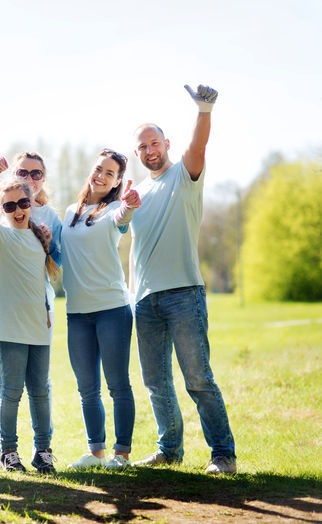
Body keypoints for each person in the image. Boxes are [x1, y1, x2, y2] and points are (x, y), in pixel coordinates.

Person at [129, 84, 237, 474]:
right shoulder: (136, 193)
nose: (149, 150)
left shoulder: (183, 176)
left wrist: (203, 110)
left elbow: (198, 148)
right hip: (145, 301)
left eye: (154, 143)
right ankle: (169, 450)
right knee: (156, 382)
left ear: (166, 144)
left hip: (183, 294)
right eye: (142, 146)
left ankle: (223, 454)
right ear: (137, 154)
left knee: (197, 378)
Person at [0, 89, 62, 467]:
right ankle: (5, 451)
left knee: (40, 388)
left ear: (40, 184)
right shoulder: (0, 221)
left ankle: (43, 450)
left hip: (37, 315)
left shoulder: (47, 223)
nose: (18, 207)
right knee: (5, 387)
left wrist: (50, 247)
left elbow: (55, 268)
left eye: (35, 173)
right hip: (2, 310)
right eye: (22, 171)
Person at [61, 149, 140, 470]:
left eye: (110, 173)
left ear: (118, 181)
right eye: (98, 169)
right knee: (87, 389)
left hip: (112, 310)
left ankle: (121, 455)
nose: (101, 176)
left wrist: (129, 205)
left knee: (118, 384)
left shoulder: (115, 210)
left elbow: (123, 219)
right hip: (77, 313)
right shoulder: (70, 212)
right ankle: (96, 453)